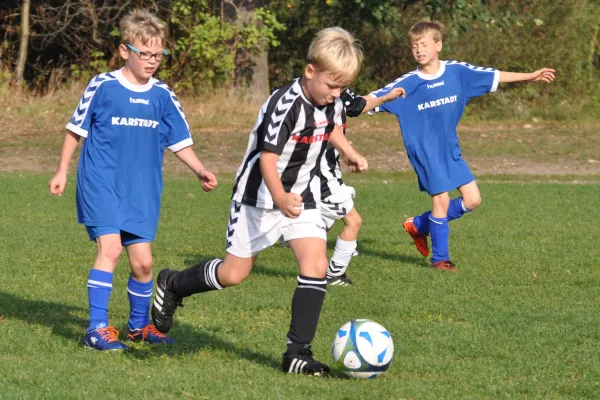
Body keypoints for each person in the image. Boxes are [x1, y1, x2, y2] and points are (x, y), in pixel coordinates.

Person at [151, 27, 367, 375]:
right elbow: (268, 158)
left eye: (342, 87)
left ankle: (297, 354)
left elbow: (332, 129)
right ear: (310, 71)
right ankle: (173, 284)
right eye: (331, 86)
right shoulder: (285, 105)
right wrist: (279, 196)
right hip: (260, 196)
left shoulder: (331, 99)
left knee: (314, 265)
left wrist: (350, 152)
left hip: (302, 194)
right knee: (234, 274)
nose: (336, 94)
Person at [48, 9, 218, 351]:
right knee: (110, 249)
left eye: (159, 54)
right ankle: (96, 328)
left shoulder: (163, 96)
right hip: (101, 182)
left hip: (142, 191)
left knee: (143, 263)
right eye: (146, 53)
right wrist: (62, 170)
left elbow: (179, 140)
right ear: (125, 50)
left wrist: (199, 169)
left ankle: (138, 326)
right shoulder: (103, 86)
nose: (153, 61)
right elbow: (75, 130)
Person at [369, 20, 555, 271]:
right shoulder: (408, 83)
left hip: (450, 149)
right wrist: (341, 100)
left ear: (439, 45)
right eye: (414, 46)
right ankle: (440, 260)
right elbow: (369, 100)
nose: (419, 49)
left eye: (424, 44)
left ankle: (419, 225)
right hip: (425, 152)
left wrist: (530, 76)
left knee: (473, 199)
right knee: (442, 202)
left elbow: (494, 75)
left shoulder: (457, 72)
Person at [321, 87, 405, 286]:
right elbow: (327, 126)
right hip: (319, 173)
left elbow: (357, 105)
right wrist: (350, 153)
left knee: (316, 221)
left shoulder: (337, 89)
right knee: (354, 221)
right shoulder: (319, 95)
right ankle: (334, 275)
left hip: (328, 170)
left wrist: (385, 98)